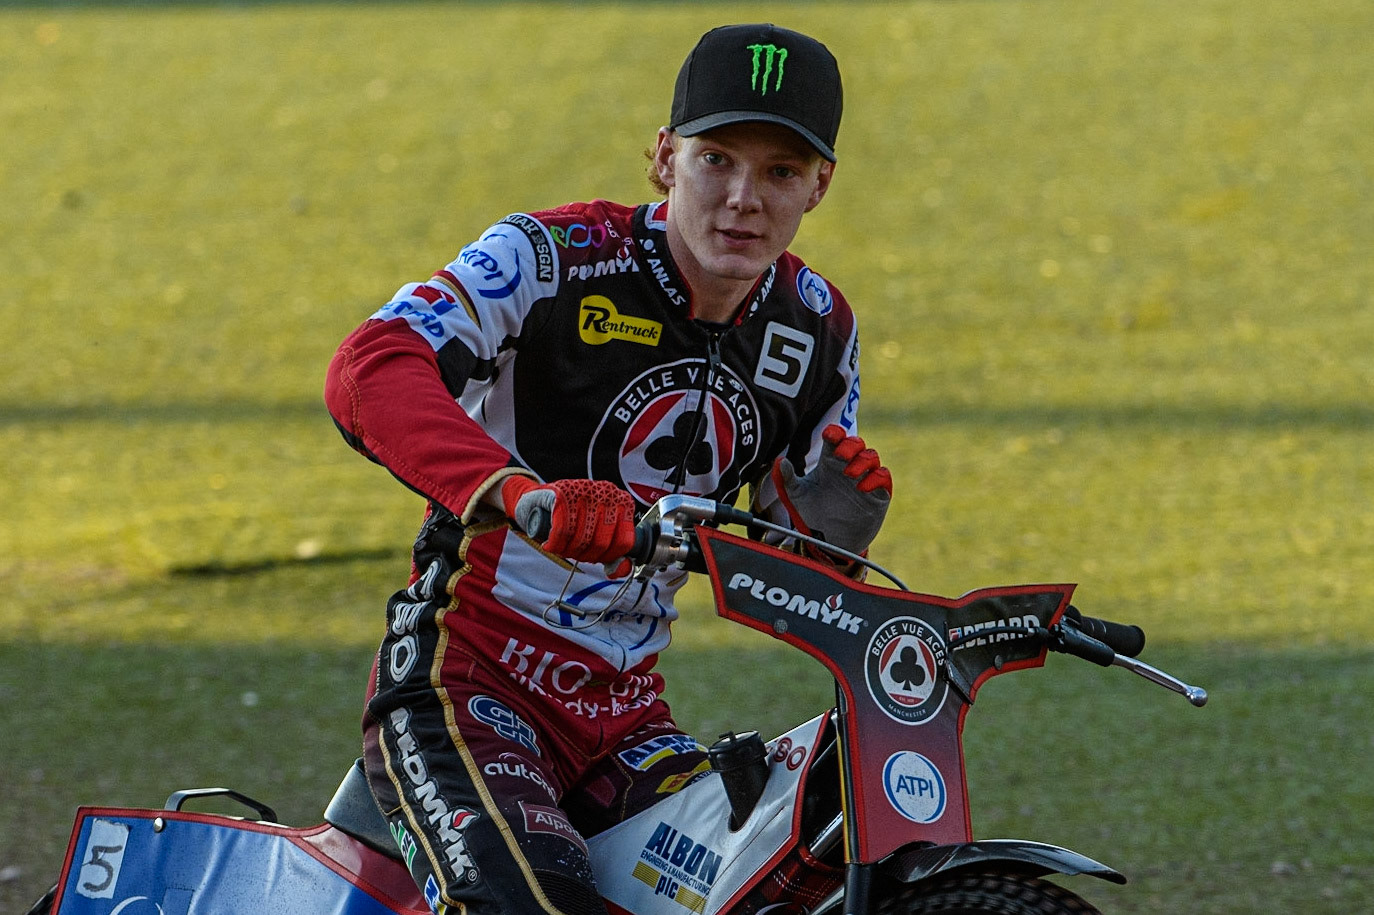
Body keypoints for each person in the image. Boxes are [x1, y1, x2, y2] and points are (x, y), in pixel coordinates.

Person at [324, 22, 892, 915]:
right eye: (716, 160)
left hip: (624, 715)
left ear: (820, 185)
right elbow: (370, 366)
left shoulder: (819, 331)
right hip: (462, 685)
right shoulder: (547, 260)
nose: (744, 199)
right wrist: (522, 494)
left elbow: (792, 548)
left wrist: (829, 546)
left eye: (780, 172)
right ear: (664, 158)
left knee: (780, 872)